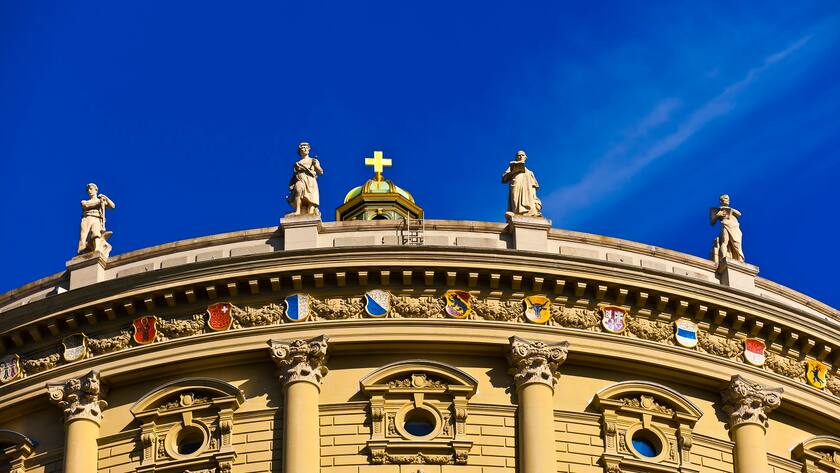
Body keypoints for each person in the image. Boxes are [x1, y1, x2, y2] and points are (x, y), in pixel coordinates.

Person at [502, 150, 542, 219]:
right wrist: (512, 172)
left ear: (525, 157)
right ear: (516, 157)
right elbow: (504, 179)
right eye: (519, 155)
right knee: (515, 196)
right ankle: (516, 212)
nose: (520, 156)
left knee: (528, 198)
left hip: (527, 190)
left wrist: (535, 198)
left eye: (522, 155)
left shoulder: (530, 172)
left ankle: (530, 212)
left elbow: (533, 187)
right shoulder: (512, 166)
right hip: (516, 183)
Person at [78, 183, 116, 255]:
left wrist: (106, 198)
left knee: (95, 232)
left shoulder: (101, 200)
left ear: (96, 190)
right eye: (88, 190)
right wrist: (100, 201)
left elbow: (113, 206)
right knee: (83, 236)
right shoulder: (84, 201)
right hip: (86, 219)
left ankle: (97, 249)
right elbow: (86, 205)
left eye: (91, 189)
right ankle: (82, 251)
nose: (89, 191)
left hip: (96, 219)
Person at [287, 142, 324, 215]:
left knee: (311, 198)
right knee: (298, 190)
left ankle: (311, 212)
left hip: (310, 181)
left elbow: (321, 172)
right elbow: (294, 176)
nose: (305, 149)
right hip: (300, 179)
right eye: (303, 148)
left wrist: (315, 165)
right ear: (300, 151)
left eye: (306, 147)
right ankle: (298, 210)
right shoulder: (297, 163)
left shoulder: (313, 160)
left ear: (309, 149)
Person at [710, 194, 744, 262]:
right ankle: (724, 257)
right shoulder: (717, 210)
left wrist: (731, 210)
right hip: (725, 224)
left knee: (737, 243)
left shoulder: (731, 209)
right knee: (725, 241)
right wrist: (717, 215)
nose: (728, 200)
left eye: (728, 199)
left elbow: (739, 214)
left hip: (735, 226)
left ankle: (740, 258)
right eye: (726, 198)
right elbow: (712, 222)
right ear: (721, 200)